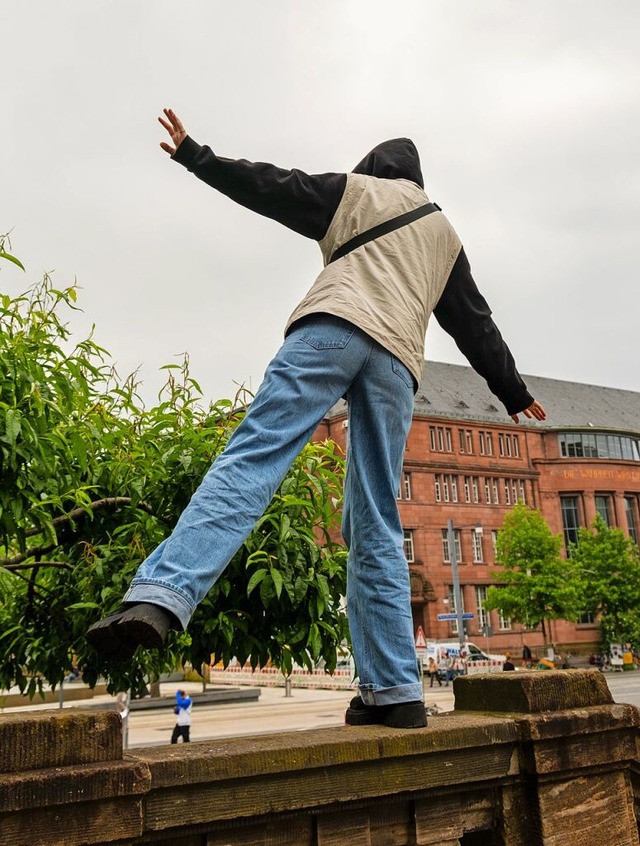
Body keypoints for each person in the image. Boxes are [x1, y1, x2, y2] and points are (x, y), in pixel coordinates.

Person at [86, 108, 547, 730]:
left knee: (253, 458)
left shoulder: (357, 193)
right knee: (378, 518)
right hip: (395, 367)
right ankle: (395, 693)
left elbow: (276, 187)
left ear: (377, 167)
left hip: (330, 332)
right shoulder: (444, 235)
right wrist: (512, 392)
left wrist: (199, 156)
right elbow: (474, 322)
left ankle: (161, 598)